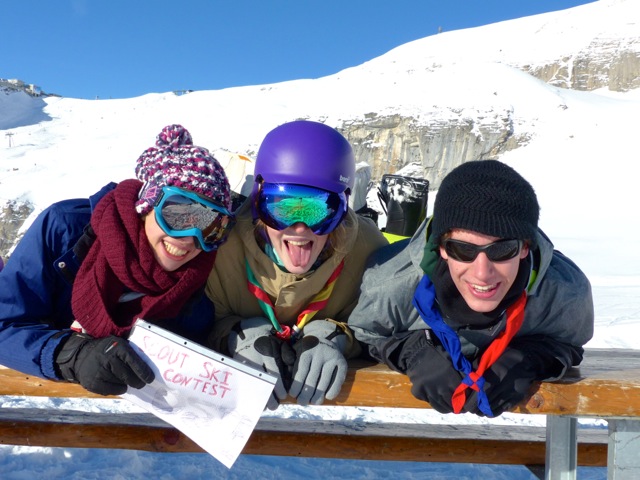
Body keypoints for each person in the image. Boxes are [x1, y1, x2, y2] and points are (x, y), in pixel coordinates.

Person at [0, 124, 235, 396]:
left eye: (211, 226)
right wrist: (71, 355)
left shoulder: (200, 279)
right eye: (179, 214)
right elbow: (5, 322)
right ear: (147, 204)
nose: (190, 238)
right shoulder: (66, 232)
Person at [349, 160, 594, 417]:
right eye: (463, 249)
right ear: (441, 247)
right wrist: (412, 351)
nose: (482, 272)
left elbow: (571, 342)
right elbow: (363, 332)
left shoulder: (564, 293)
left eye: (502, 250)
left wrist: (531, 357)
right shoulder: (390, 285)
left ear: (525, 247)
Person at [206, 120, 388, 409]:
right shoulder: (222, 247)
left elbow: (381, 324)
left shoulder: (365, 249)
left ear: (343, 209)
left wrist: (337, 335)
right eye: (282, 207)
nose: (300, 228)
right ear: (257, 203)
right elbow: (192, 319)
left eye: (319, 210)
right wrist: (233, 334)